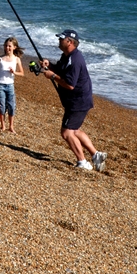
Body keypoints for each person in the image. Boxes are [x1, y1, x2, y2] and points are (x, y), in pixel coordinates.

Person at [42, 29, 107, 172]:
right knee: (75, 130)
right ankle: (96, 155)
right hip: (76, 101)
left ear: (69, 42)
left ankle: (82, 161)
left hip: (78, 102)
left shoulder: (75, 60)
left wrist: (52, 76)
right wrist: (50, 66)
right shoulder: (67, 56)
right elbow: (61, 69)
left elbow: (70, 84)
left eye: (61, 39)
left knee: (66, 132)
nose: (59, 41)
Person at [0, 37, 24, 133]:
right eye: (6, 46)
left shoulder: (16, 59)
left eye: (9, 46)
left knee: (12, 106)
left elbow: (22, 73)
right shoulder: (0, 58)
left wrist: (14, 72)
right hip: (0, 85)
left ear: (14, 47)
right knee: (2, 106)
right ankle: (3, 126)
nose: (7, 48)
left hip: (10, 86)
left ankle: (11, 126)